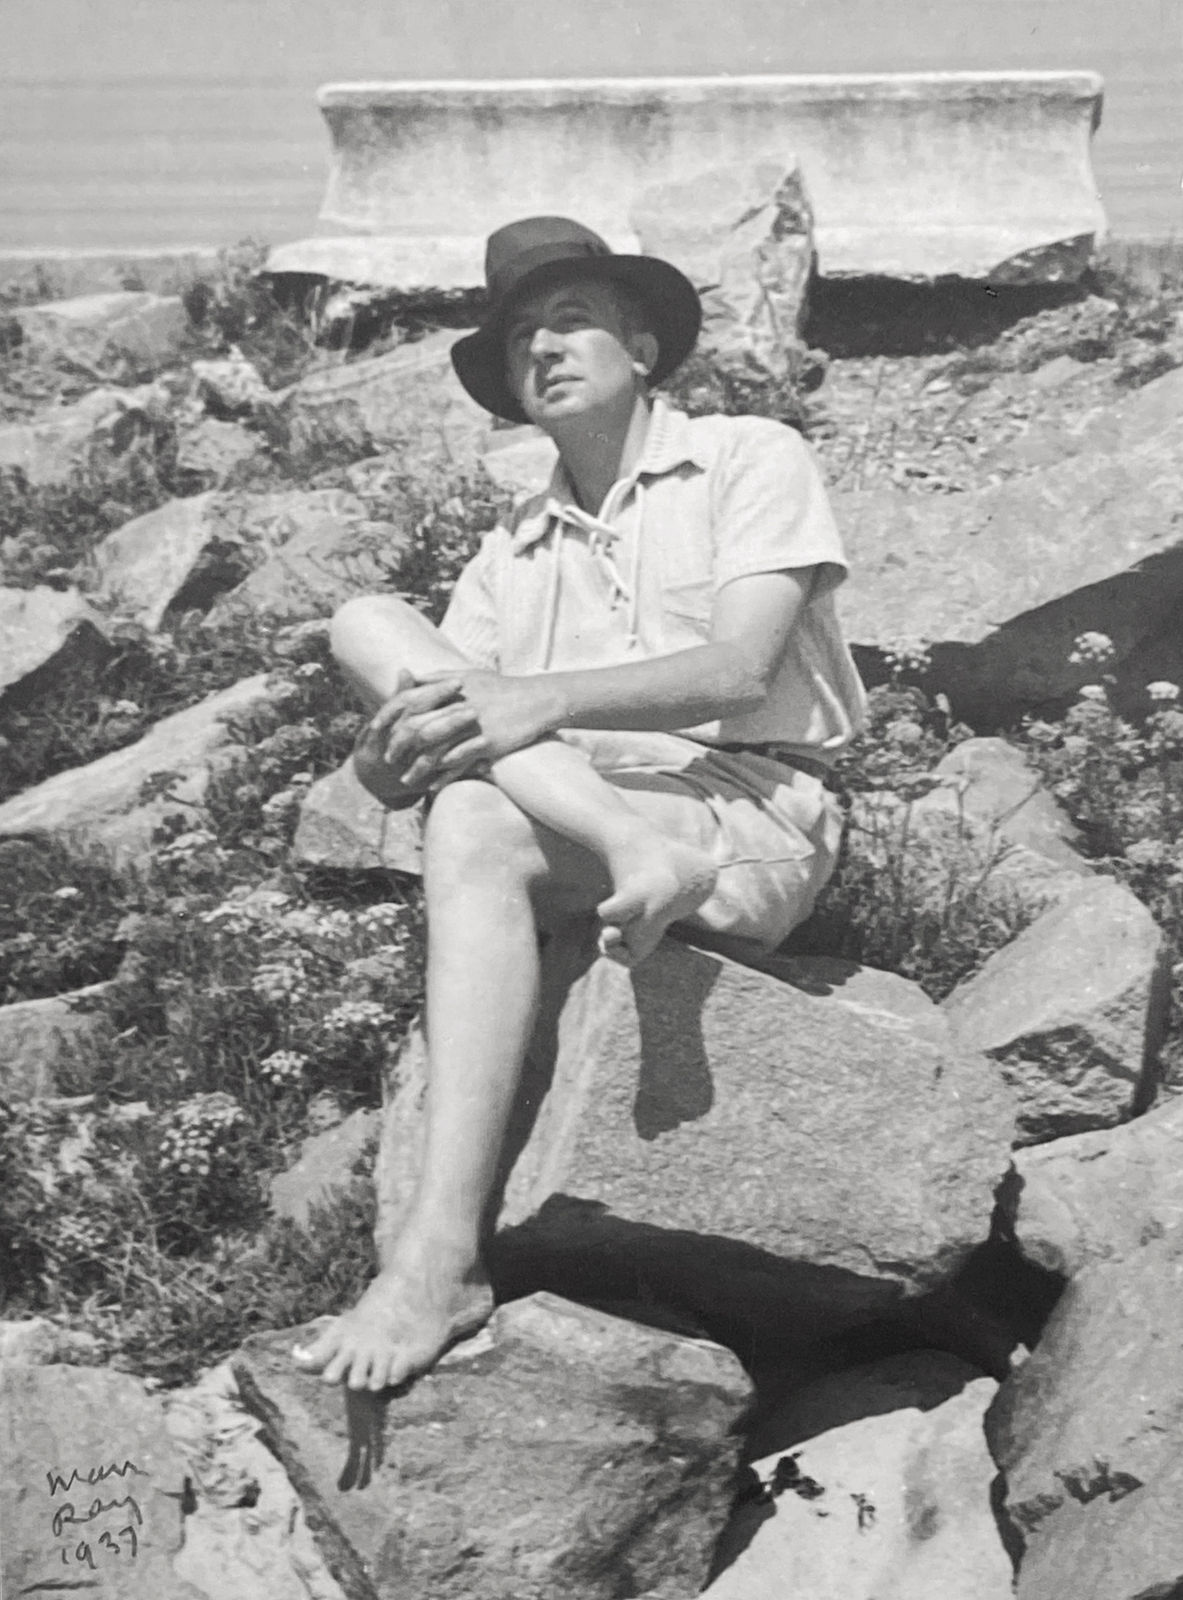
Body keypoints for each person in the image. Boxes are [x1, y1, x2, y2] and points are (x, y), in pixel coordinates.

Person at [292, 216, 866, 1392]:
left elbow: (738, 672)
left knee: (481, 786)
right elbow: (440, 731)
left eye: (570, 320)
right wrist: (389, 759)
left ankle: (436, 1257)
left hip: (751, 804)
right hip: (610, 817)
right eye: (516, 339)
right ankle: (443, 1259)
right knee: (370, 633)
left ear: (643, 345)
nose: (540, 349)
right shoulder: (515, 540)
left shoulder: (749, 455)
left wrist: (521, 705)